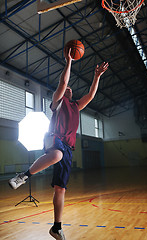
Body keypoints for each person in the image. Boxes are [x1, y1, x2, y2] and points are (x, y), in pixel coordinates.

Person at [8, 46, 109, 240]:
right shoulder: (57, 102)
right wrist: (69, 61)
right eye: (66, 89)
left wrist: (97, 76)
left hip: (69, 147)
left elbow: (91, 95)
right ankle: (23, 176)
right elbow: (63, 82)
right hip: (55, 139)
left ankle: (56, 227)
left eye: (71, 89)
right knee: (56, 155)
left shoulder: (76, 106)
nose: (68, 89)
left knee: (60, 188)